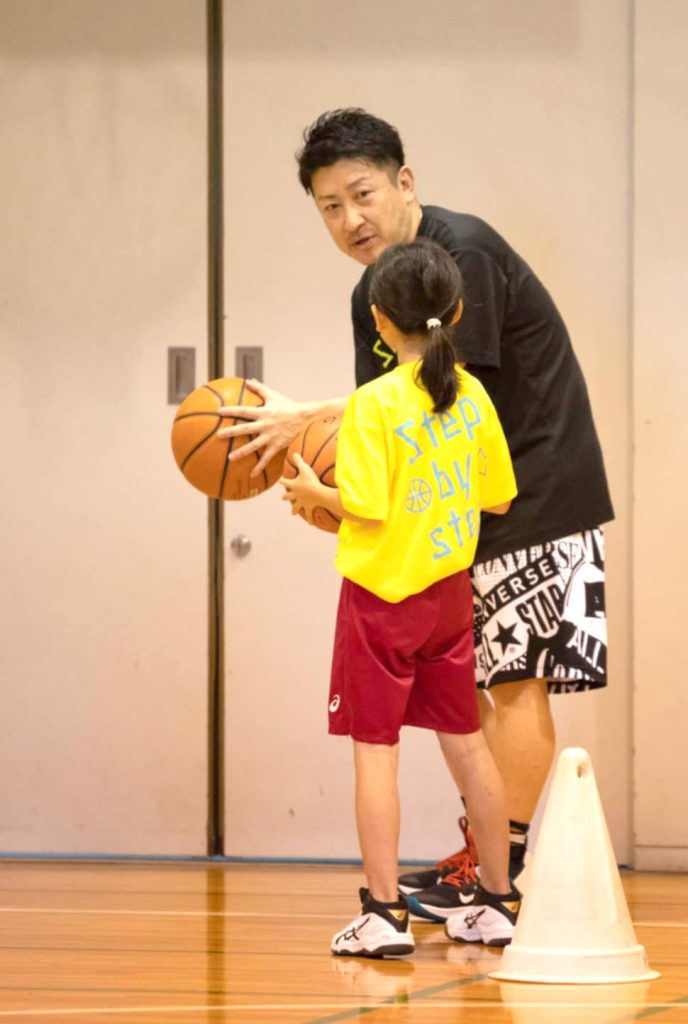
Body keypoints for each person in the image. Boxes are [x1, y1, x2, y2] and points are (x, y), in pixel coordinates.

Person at [217, 108, 614, 921]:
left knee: (515, 681)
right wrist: (338, 496)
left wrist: (306, 417)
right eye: (329, 207)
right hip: (456, 509)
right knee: (474, 692)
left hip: (534, 488)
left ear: (405, 181)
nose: (350, 220)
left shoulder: (460, 252)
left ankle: (501, 866)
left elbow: (440, 392)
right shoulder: (371, 292)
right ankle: (487, 860)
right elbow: (384, 428)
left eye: (362, 194)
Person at [281, 238, 520, 956]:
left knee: (375, 753)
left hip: (383, 601)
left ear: (380, 322)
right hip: (449, 597)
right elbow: (499, 498)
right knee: (469, 747)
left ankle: (385, 916)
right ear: (458, 311)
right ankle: (498, 902)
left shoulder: (374, 403)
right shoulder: (472, 395)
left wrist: (311, 491)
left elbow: (365, 506)